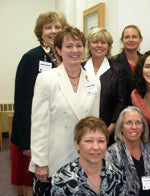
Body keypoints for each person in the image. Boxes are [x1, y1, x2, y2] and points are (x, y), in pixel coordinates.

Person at [29, 26, 101, 195]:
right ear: (59, 50)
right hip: (54, 158)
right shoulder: (46, 79)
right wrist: (40, 162)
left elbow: (94, 123)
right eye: (69, 46)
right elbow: (39, 124)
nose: (74, 50)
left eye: (79, 45)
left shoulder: (94, 81)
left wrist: (95, 156)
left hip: (84, 158)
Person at [10, 11, 68, 195]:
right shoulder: (31, 57)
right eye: (48, 27)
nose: (53, 31)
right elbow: (23, 101)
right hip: (36, 133)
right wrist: (26, 142)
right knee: (37, 181)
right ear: (40, 32)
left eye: (57, 27)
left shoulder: (66, 56)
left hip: (59, 132)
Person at [51, 116, 125, 195]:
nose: (96, 147)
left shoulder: (117, 174)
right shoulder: (62, 179)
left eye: (101, 141)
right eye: (89, 141)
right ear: (77, 144)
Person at [105, 106, 150, 195]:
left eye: (138, 122)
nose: (134, 127)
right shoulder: (112, 154)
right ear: (121, 127)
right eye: (129, 123)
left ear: (143, 127)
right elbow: (111, 189)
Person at [84, 27, 129, 146]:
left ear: (108, 46)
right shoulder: (79, 68)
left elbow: (122, 101)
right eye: (95, 42)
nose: (99, 45)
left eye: (103, 42)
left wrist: (110, 128)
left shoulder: (117, 70)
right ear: (89, 45)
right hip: (81, 128)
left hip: (107, 130)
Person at [111, 25, 143, 104]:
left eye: (134, 37)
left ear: (140, 39)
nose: (131, 40)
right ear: (122, 40)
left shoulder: (147, 61)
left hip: (144, 107)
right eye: (127, 37)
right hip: (121, 108)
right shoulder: (113, 62)